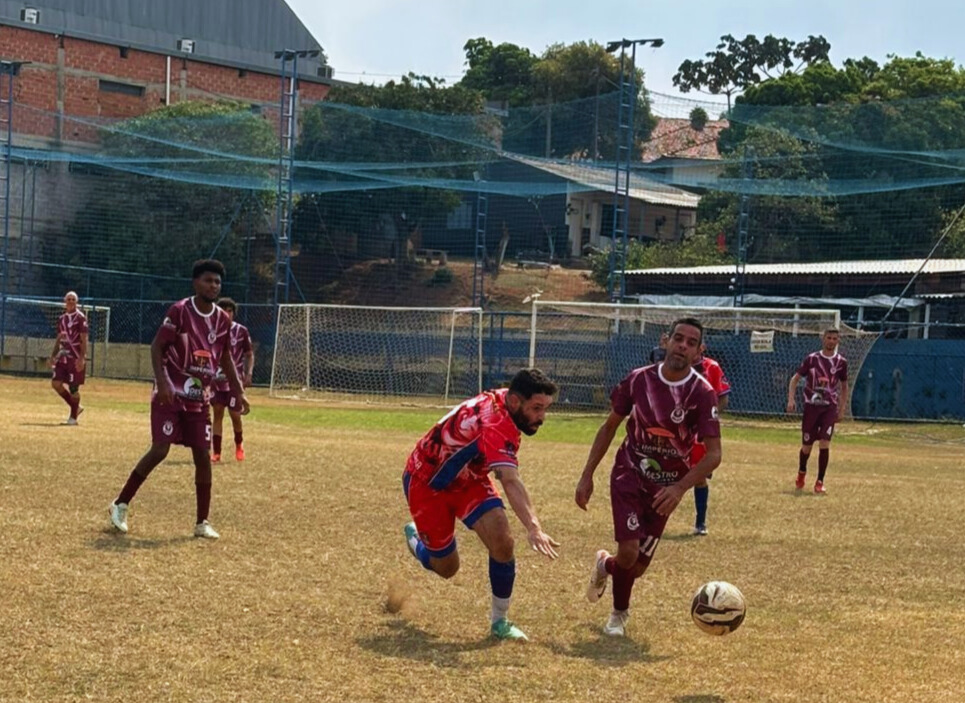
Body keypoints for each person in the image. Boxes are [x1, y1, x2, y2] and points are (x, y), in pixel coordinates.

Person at [575, 318, 721, 637]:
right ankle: (618, 616)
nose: (683, 345)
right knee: (628, 552)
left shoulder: (702, 392)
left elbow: (714, 454)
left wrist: (680, 488)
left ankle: (604, 565)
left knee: (636, 568)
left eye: (691, 342)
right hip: (629, 472)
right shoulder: (638, 380)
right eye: (678, 338)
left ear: (699, 352)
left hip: (665, 488)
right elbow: (609, 426)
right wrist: (587, 475)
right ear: (665, 340)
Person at [402, 368, 560, 642]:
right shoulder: (497, 422)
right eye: (536, 408)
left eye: (545, 409)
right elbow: (510, 480)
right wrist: (534, 528)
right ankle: (417, 541)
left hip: (470, 480)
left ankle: (500, 622)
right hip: (427, 484)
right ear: (514, 402)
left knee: (503, 541)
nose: (541, 417)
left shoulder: (505, 402)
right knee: (447, 568)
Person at [108, 260, 249, 539]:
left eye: (217, 282)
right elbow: (157, 346)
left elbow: (225, 357)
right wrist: (161, 382)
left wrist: (238, 390)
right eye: (208, 281)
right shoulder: (180, 311)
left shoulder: (223, 319)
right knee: (160, 449)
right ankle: (120, 504)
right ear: (196, 283)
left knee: (202, 457)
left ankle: (202, 522)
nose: (213, 286)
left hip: (199, 398)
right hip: (171, 392)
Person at [787, 328, 848, 495]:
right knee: (806, 447)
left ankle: (820, 481)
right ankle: (801, 472)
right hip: (811, 408)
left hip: (829, 408)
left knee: (824, 443)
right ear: (823, 338)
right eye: (829, 337)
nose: (831, 341)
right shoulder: (812, 359)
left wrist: (842, 409)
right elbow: (795, 379)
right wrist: (791, 399)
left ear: (838, 341)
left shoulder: (841, 362)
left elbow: (844, 386)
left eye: (835, 338)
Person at [690, 347, 731, 536]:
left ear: (702, 346)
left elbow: (723, 398)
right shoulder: (674, 366)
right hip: (676, 427)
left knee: (699, 476)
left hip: (700, 431)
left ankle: (700, 522)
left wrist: (708, 418)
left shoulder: (712, 367)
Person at [211, 298, 254, 463]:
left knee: (235, 415)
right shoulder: (212, 330)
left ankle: (239, 444)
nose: (226, 313)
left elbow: (249, 354)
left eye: (230, 310)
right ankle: (217, 452)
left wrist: (248, 373)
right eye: (223, 310)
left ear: (234, 313)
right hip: (216, 381)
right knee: (218, 413)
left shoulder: (241, 331)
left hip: (234, 382)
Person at [49, 291, 88, 425]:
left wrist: (82, 358)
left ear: (77, 302)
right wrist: (53, 355)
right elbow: (59, 338)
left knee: (73, 388)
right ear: (65, 301)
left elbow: (84, 339)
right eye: (68, 299)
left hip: (75, 357)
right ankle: (76, 407)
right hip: (63, 356)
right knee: (56, 383)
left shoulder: (80, 318)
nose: (71, 301)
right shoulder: (61, 319)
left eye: (73, 299)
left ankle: (73, 418)